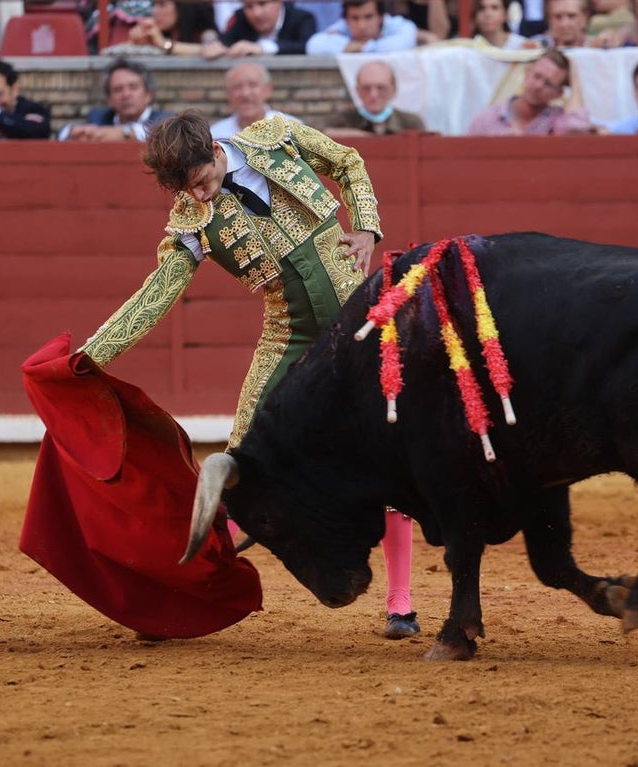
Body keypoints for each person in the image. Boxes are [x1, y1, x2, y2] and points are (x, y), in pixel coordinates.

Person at [77, 110, 421, 639]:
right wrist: (91, 355)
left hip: (359, 326)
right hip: (289, 336)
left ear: (214, 150)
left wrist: (367, 227)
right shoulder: (191, 221)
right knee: (241, 468)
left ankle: (401, 606)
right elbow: (156, 294)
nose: (200, 198)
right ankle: (187, 590)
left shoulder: (277, 135)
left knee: (392, 454)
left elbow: (347, 161)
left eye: (201, 183)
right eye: (188, 191)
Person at [467, 49, 593, 135]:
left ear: (558, 94)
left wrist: (575, 81)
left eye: (548, 84)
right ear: (527, 73)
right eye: (537, 76)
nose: (538, 86)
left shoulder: (557, 119)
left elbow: (575, 129)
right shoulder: (488, 118)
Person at [58, 59, 173, 142]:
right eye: (118, 90)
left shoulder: (166, 120)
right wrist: (74, 132)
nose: (126, 95)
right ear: (110, 99)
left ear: (148, 94)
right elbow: (62, 133)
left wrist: (125, 133)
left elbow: (163, 135)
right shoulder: (98, 117)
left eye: (133, 87)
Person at [324, 60, 427, 137]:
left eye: (381, 88)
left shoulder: (411, 123)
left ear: (394, 90)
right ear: (357, 91)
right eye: (366, 88)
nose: (373, 95)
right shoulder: (340, 122)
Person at [210, 62, 302, 139]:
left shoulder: (292, 129)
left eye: (253, 85)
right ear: (228, 93)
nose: (245, 93)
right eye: (237, 87)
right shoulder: (216, 135)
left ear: (268, 89)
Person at [202, 0, 317, 58]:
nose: (256, 13)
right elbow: (225, 42)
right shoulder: (240, 17)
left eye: (262, 4)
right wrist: (216, 48)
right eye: (249, 6)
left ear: (278, 2)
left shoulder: (302, 18)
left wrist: (262, 48)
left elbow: (307, 46)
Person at [305, 0, 419, 54]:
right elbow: (314, 45)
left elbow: (404, 43)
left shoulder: (397, 24)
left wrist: (360, 47)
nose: (362, 26)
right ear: (346, 20)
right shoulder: (342, 26)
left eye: (368, 17)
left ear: (381, 17)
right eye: (355, 18)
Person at [126, 0, 218, 56]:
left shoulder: (206, 33)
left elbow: (211, 50)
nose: (155, 11)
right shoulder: (159, 35)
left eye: (162, 4)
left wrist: (163, 43)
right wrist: (136, 43)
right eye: (154, 5)